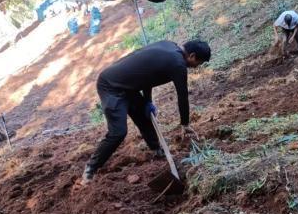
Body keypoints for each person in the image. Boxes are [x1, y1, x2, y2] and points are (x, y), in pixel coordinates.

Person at [81, 40, 211, 185]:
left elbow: (148, 74)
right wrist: (185, 124)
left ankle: (156, 150)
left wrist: (147, 101)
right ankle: (90, 168)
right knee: (118, 132)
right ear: (192, 56)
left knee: (145, 116)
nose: (195, 67)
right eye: (198, 64)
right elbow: (182, 95)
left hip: (127, 86)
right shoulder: (178, 64)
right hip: (111, 86)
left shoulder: (168, 45)